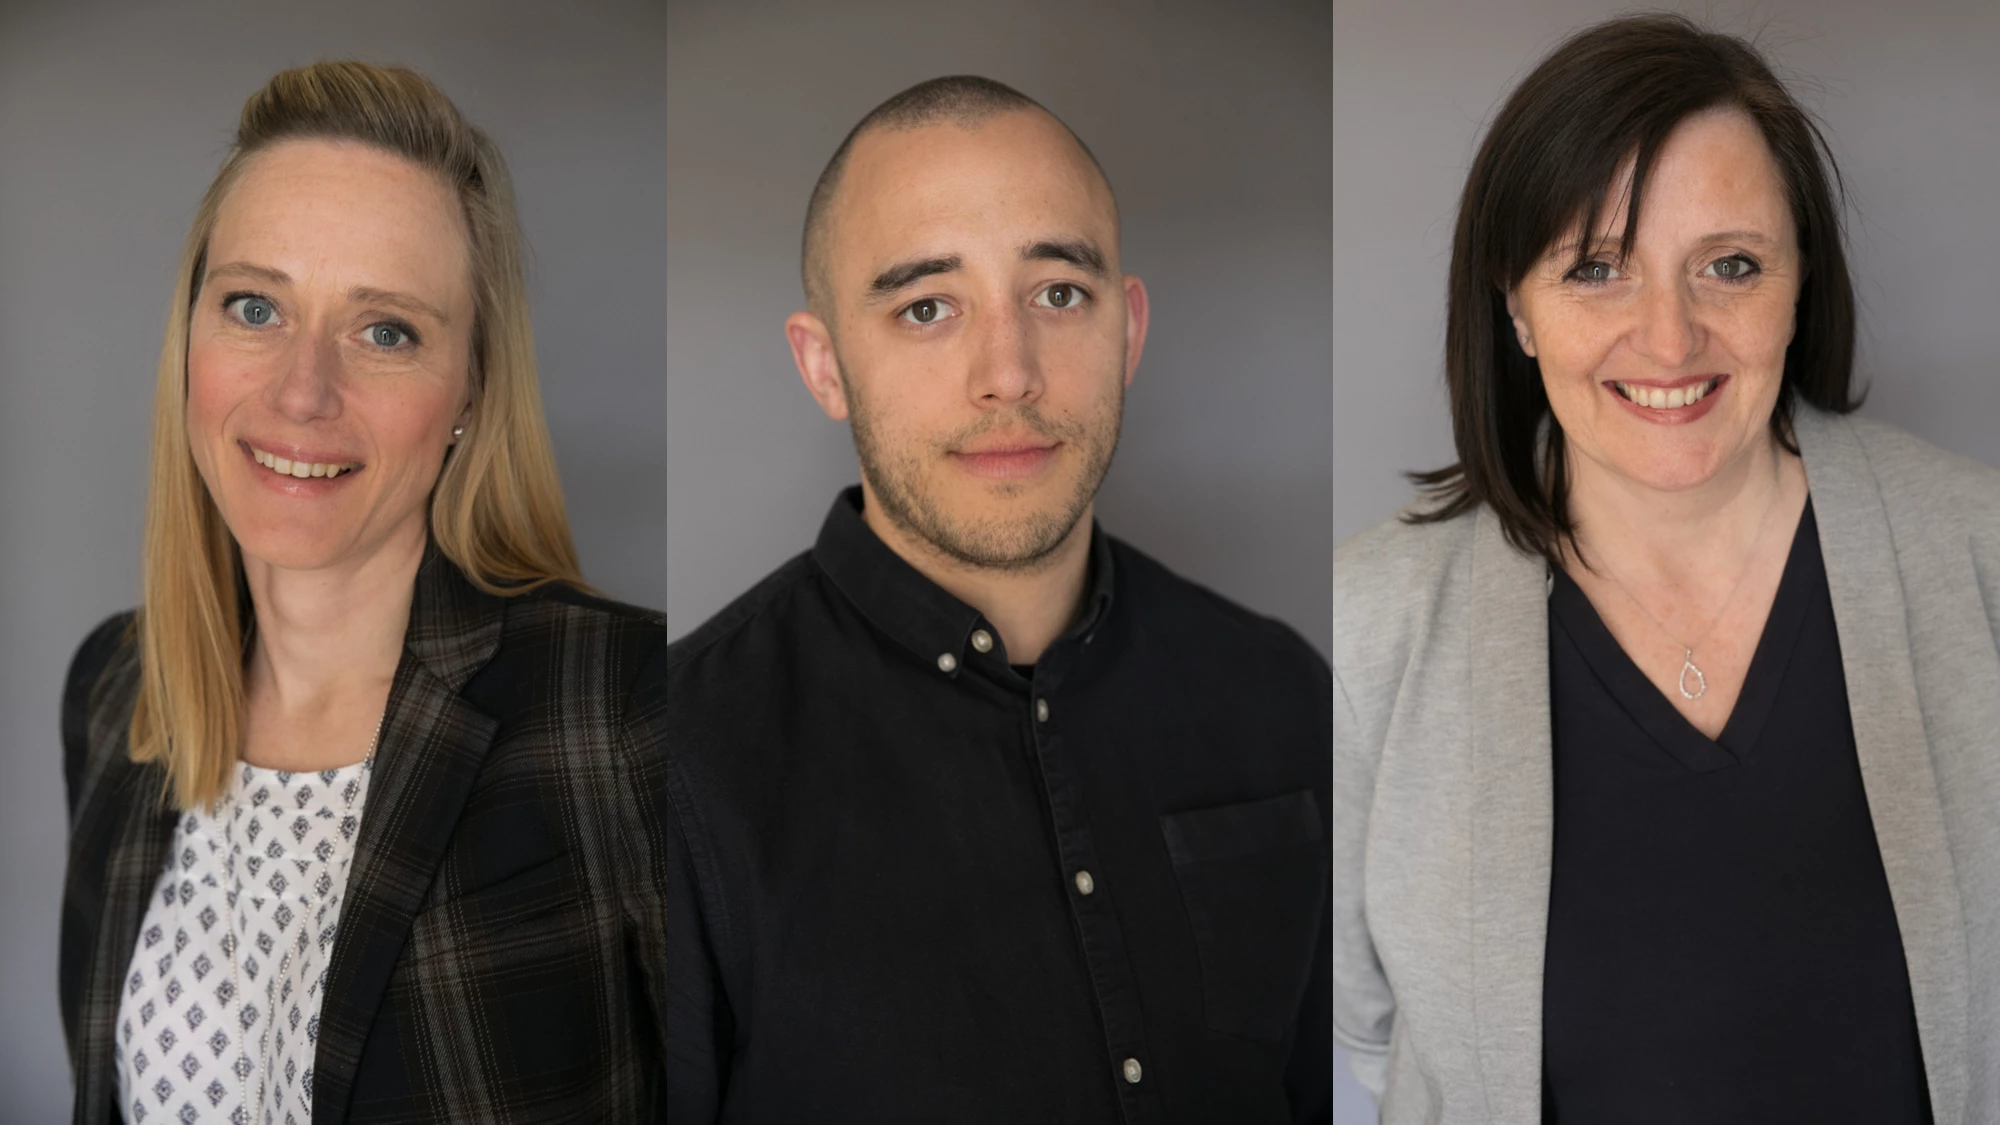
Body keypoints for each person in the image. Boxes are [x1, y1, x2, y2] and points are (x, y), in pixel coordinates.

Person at [1333, 15, 1998, 1124]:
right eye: (1595, 269)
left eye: (1726, 266)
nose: (1669, 337)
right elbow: (1366, 1033)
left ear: (1798, 284)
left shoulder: (1978, 560)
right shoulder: (1370, 626)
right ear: (1515, 305)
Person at [664, 75, 1331, 1123]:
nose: (1008, 373)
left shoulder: (1281, 692)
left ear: (1128, 330)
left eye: (1057, 293)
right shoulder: (679, 762)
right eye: (926, 307)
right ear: (824, 365)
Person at [58, 63, 667, 1124]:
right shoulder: (118, 689)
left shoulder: (625, 708)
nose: (302, 391)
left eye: (385, 330)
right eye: (254, 306)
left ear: (470, 387)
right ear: (189, 335)